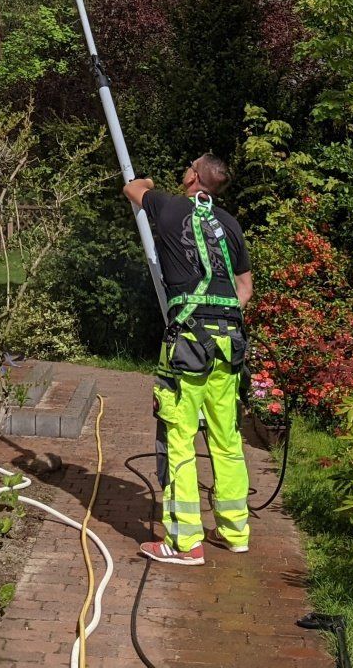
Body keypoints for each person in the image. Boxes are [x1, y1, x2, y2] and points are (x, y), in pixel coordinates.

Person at [124, 154, 253, 566]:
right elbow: (244, 287)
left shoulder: (170, 205)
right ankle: (235, 533)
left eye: (189, 165)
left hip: (187, 344)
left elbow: (133, 188)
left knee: (179, 439)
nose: (184, 167)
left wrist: (146, 177)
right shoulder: (231, 225)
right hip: (229, 343)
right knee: (227, 439)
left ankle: (184, 543)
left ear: (195, 177)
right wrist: (223, 314)